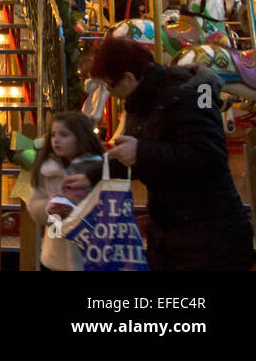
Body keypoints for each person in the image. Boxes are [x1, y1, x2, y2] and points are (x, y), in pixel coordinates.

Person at [85, 37, 254, 271]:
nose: (110, 93)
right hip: (171, 235)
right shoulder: (141, 102)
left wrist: (141, 151)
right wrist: (87, 176)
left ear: (128, 78)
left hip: (210, 238)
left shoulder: (190, 94)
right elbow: (137, 158)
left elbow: (209, 156)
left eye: (110, 86)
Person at [26, 112, 104, 271]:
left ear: (80, 138)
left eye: (64, 135)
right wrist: (49, 208)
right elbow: (34, 202)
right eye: (53, 135)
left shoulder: (98, 169)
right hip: (55, 257)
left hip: (91, 253)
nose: (56, 140)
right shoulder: (47, 169)